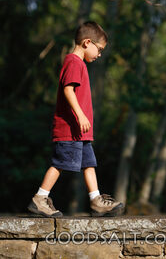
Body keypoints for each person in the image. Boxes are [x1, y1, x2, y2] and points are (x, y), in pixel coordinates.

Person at [28, 21, 124, 217]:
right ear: (87, 42)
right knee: (60, 163)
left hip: (80, 132)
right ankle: (40, 198)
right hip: (69, 129)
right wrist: (80, 115)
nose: (99, 54)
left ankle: (96, 200)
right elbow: (67, 89)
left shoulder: (79, 64)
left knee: (89, 163)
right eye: (99, 49)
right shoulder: (73, 61)